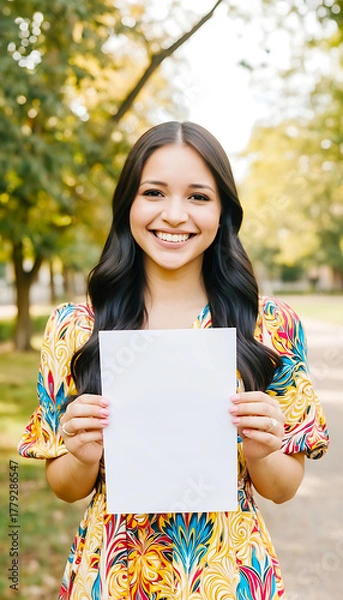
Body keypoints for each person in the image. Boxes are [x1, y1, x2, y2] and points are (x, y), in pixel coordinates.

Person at [18, 121, 329, 600]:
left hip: (230, 577)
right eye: (154, 192)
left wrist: (264, 446)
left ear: (223, 210)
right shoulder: (75, 326)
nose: (175, 214)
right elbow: (64, 485)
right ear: (128, 204)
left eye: (199, 196)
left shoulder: (270, 325)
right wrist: (81, 452)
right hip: (112, 576)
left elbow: (283, 488)